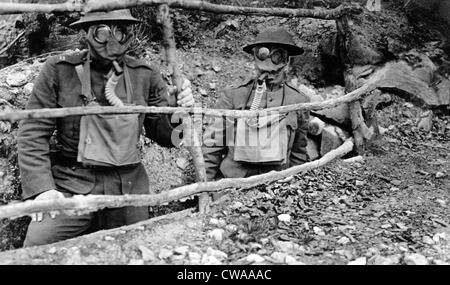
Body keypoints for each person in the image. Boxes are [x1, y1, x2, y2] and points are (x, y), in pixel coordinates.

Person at [17, 9, 194, 247]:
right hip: (73, 184)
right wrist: (43, 190)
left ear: (130, 34)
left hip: (128, 187)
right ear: (86, 34)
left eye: (120, 31)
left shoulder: (146, 75)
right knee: (35, 250)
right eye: (102, 31)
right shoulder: (60, 70)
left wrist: (178, 112)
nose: (112, 40)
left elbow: (164, 136)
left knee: (138, 249)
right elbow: (33, 132)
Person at [202, 28, 310, 181]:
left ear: (287, 62)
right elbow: (212, 145)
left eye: (275, 71)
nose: (269, 74)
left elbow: (298, 152)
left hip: (277, 185)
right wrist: (205, 187)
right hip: (233, 183)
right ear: (255, 59)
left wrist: (295, 183)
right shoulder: (234, 95)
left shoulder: (298, 101)